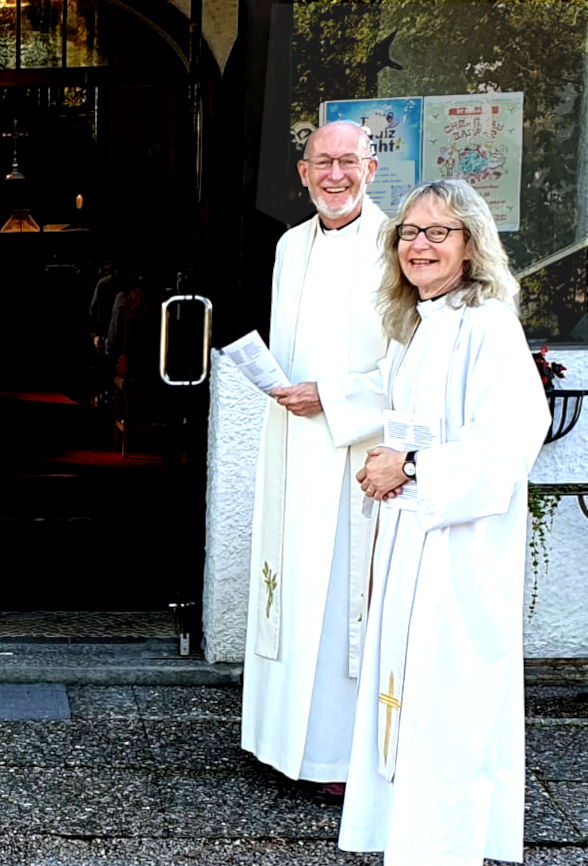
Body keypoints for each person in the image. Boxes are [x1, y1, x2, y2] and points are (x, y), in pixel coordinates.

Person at [343, 179, 547, 866]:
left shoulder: (488, 324)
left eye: (439, 232)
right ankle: (417, 846)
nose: (420, 245)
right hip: (415, 534)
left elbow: (510, 435)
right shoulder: (426, 323)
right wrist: (387, 464)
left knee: (454, 696)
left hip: (461, 544)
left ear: (471, 245)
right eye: (408, 233)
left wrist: (414, 466)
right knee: (408, 688)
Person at [241, 120, 389, 801]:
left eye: (348, 161)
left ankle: (331, 757)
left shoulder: (398, 248)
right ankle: (276, 743)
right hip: (291, 443)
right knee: (286, 588)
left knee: (336, 602)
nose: (335, 175)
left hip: (351, 451)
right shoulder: (289, 244)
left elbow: (409, 364)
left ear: (371, 167)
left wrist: (331, 397)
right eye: (322, 162)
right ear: (302, 172)